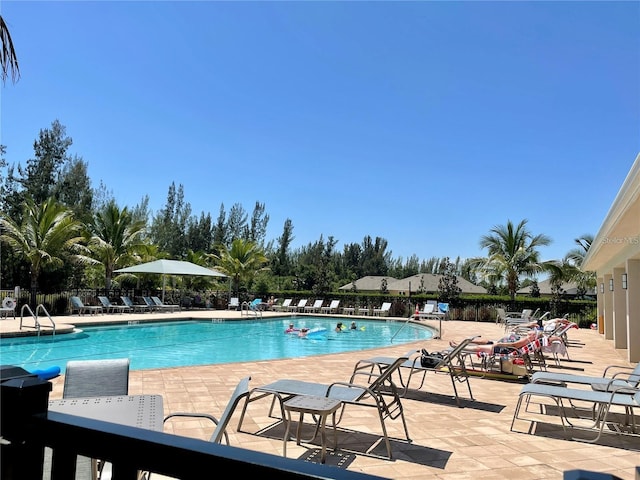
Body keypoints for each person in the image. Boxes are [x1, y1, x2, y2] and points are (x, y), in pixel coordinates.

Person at [449, 330, 563, 356]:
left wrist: (499, 344)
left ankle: (457, 347)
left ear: (534, 336)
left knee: (479, 347)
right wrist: (557, 337)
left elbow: (513, 346)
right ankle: (461, 343)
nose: (533, 330)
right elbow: (547, 339)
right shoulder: (529, 339)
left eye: (535, 331)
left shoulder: (527, 340)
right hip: (503, 345)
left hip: (504, 349)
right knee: (485, 340)